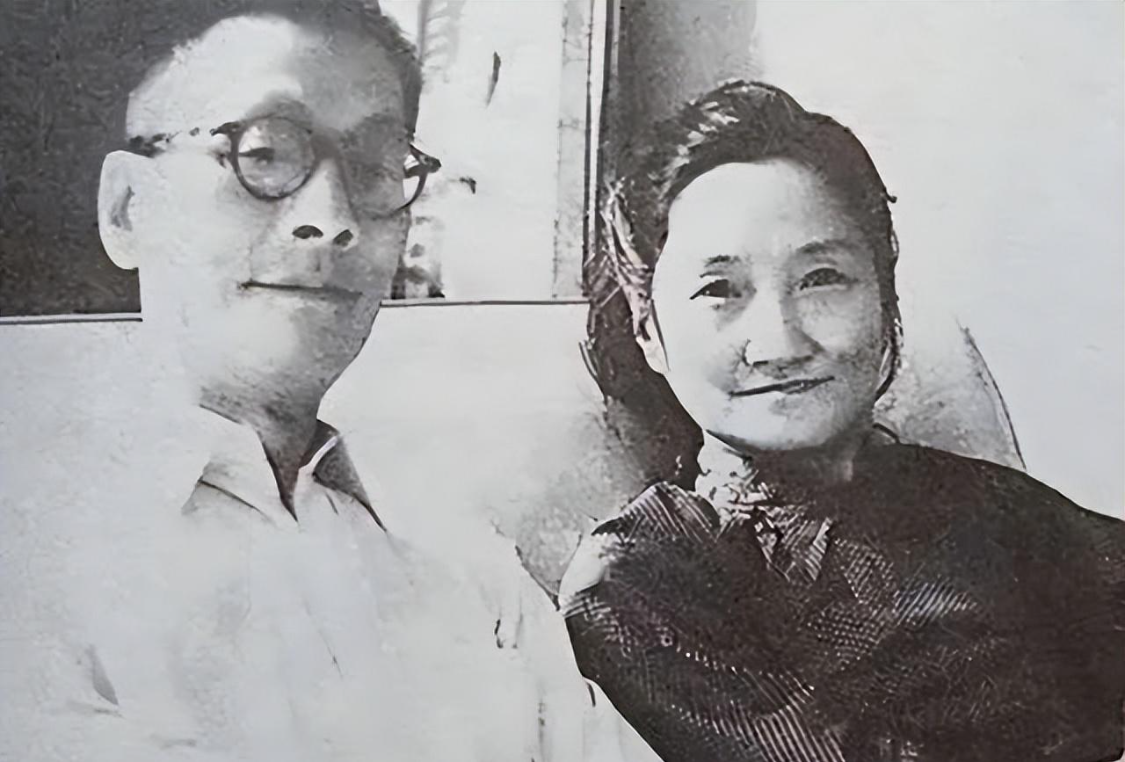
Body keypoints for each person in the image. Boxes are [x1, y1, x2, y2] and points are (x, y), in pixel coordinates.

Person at [7, 2, 606, 760]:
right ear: (128, 210)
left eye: (374, 167)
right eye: (263, 155)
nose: (330, 218)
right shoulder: (32, 553)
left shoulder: (460, 557)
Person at [560, 80, 1125, 762]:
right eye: (719, 290)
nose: (780, 343)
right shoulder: (644, 576)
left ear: (885, 301)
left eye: (821, 278)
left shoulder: (989, 504)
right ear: (649, 332)